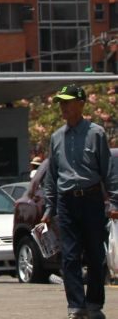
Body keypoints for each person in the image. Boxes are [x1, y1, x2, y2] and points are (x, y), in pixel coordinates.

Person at [41, 85, 118, 319]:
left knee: (95, 254)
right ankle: (76, 306)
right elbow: (51, 176)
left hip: (92, 199)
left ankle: (94, 304)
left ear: (81, 104)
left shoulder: (96, 133)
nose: (63, 107)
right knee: (70, 256)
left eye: (67, 102)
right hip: (66, 203)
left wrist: (114, 202)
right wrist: (48, 207)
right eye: (61, 103)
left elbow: (108, 170)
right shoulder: (56, 137)